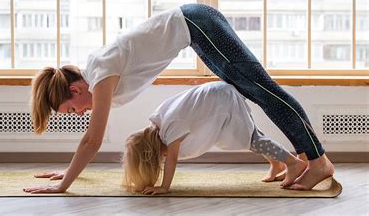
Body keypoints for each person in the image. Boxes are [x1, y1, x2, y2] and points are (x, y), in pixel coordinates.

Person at [23, 3, 333, 194]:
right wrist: (69, 170)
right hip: (196, 29)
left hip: (197, 23)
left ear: (75, 90)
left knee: (263, 91)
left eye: (70, 109)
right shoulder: (99, 72)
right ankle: (301, 160)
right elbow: (90, 139)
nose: (79, 113)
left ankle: (317, 161)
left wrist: (64, 185)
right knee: (257, 91)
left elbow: (93, 139)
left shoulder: (101, 75)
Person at [122, 81, 307, 195]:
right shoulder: (159, 121)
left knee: (251, 139)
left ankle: (293, 163)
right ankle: (276, 164)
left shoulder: (170, 130)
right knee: (252, 135)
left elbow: (172, 158)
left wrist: (164, 187)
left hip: (222, 100)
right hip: (218, 96)